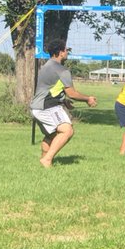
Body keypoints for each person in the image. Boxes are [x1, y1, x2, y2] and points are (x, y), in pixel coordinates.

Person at [30, 39, 97, 168]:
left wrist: (63, 101)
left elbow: (51, 88)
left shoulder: (46, 66)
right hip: (47, 107)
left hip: (36, 107)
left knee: (52, 135)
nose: (67, 52)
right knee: (67, 131)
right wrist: (88, 98)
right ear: (60, 53)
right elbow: (71, 93)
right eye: (66, 50)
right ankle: (47, 159)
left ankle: (44, 162)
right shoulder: (62, 70)